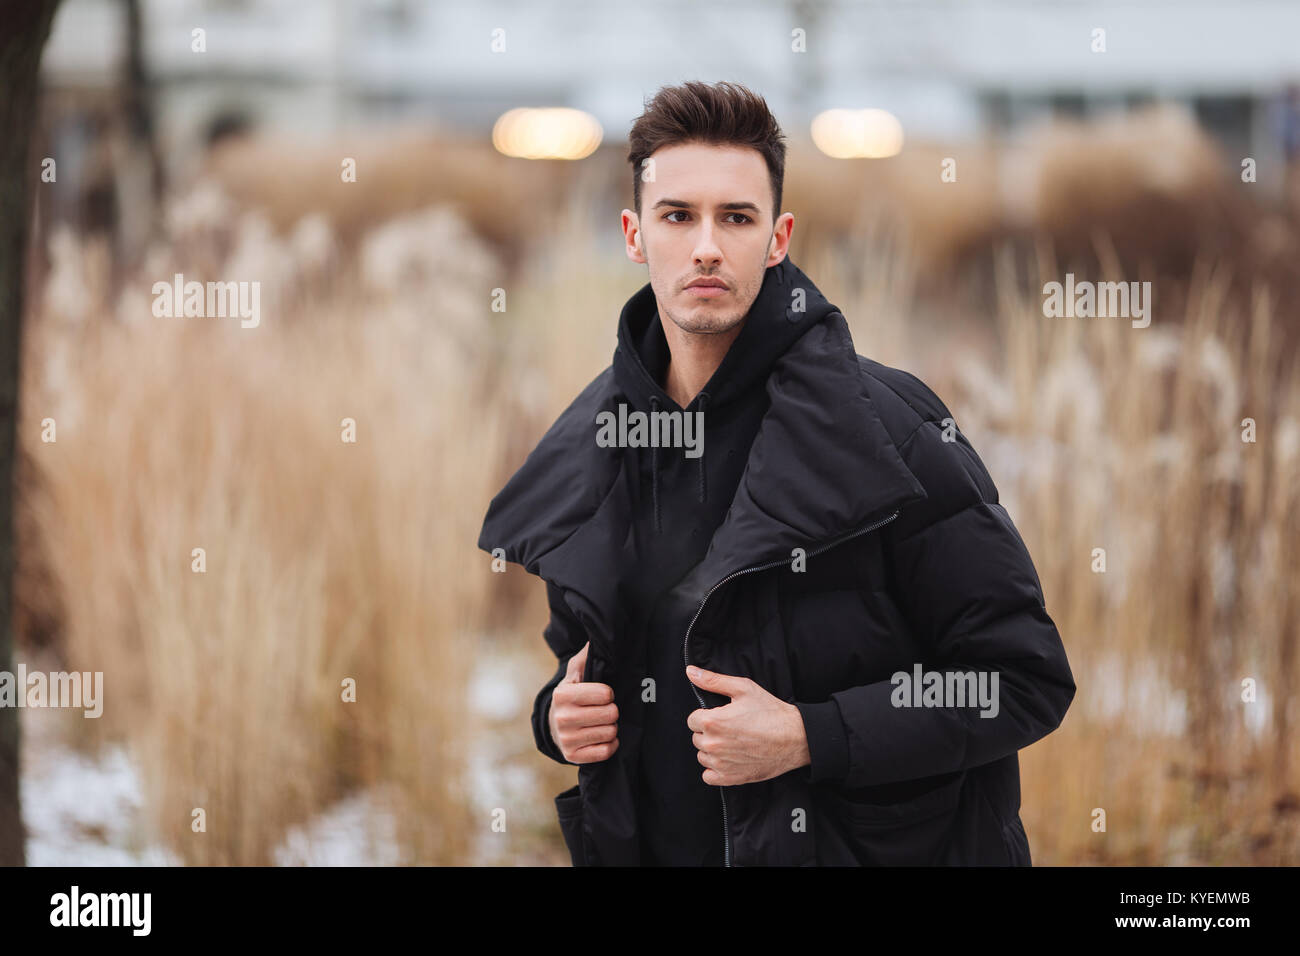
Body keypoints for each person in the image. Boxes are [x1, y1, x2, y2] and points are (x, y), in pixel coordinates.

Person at [478, 80, 1075, 866]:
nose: (705, 247)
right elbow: (582, 659)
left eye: (736, 217)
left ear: (778, 235)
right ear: (632, 234)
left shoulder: (887, 430)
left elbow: (1019, 678)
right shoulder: (602, 442)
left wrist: (810, 735)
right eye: (677, 216)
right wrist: (556, 716)